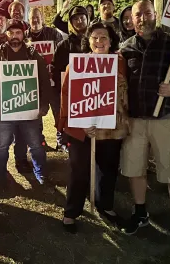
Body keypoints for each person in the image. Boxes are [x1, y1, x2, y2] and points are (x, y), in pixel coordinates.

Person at [119, 0, 170, 250]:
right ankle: (141, 213)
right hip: (135, 120)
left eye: (146, 13)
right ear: (131, 20)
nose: (142, 18)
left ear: (156, 15)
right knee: (135, 169)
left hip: (165, 119)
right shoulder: (125, 48)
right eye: (137, 15)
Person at [58, 23, 129, 233]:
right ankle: (71, 211)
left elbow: (126, 94)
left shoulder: (120, 62)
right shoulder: (78, 64)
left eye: (104, 37)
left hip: (110, 127)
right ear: (88, 41)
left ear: (111, 40)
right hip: (83, 128)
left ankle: (105, 205)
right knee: (79, 170)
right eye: (95, 38)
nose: (99, 42)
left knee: (107, 169)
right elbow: (66, 95)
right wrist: (78, 125)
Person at [0, 19, 52, 196]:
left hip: (29, 110)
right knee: (1, 146)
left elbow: (44, 80)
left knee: (36, 145)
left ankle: (41, 174)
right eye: (11, 33)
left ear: (23, 34)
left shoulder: (32, 54)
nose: (15, 36)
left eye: (18, 33)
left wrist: (44, 105)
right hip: (4, 111)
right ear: (6, 34)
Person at [51, 6, 91, 152]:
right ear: (71, 23)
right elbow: (56, 70)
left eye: (82, 17)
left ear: (88, 19)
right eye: (75, 19)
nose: (79, 21)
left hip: (91, 93)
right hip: (71, 94)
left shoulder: (95, 43)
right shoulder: (64, 45)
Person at [24, 7, 64, 151]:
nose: (35, 20)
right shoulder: (24, 36)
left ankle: (62, 141)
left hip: (52, 82)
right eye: (32, 18)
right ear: (29, 20)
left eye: (38, 17)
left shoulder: (53, 34)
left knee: (58, 111)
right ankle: (39, 142)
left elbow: (61, 54)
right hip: (33, 84)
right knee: (36, 114)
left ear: (43, 19)